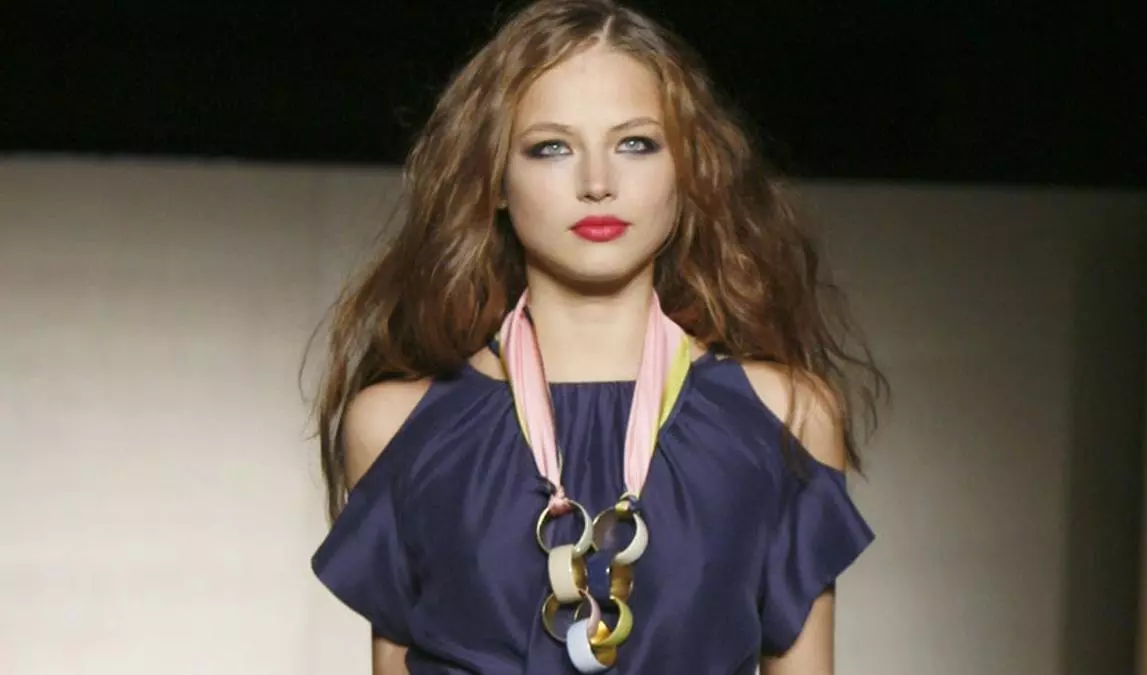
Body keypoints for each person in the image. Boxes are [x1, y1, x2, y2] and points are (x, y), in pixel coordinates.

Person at [306, 0, 887, 673]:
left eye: (635, 143)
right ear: (495, 181)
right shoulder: (398, 428)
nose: (597, 184)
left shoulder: (784, 419)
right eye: (551, 147)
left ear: (688, 170)